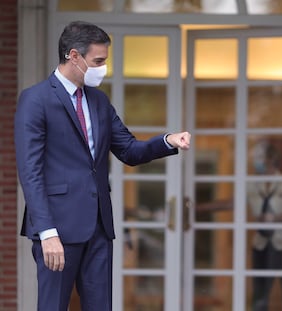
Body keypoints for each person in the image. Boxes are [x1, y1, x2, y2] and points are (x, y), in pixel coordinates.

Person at [14, 21, 191, 311]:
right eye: (98, 61)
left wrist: (168, 140)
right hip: (56, 229)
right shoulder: (36, 100)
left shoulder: (98, 100)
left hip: (98, 228)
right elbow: (30, 172)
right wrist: (47, 232)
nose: (103, 67)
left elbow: (130, 150)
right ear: (74, 56)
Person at [248, 141, 282, 310]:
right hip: (261, 243)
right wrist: (200, 208)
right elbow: (234, 203)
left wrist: (275, 218)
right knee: (260, 292)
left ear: (271, 159)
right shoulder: (251, 184)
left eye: (260, 157)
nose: (256, 161)